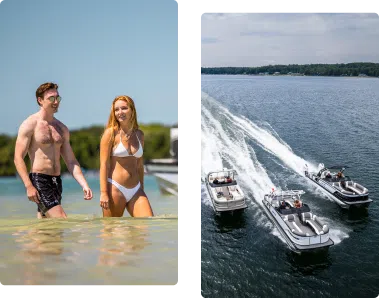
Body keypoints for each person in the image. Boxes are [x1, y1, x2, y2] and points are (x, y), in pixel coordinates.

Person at [13, 82, 93, 219]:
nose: (56, 102)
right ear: (40, 100)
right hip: (39, 180)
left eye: (58, 98)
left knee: (47, 230)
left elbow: (71, 161)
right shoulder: (30, 124)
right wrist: (28, 186)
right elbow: (18, 157)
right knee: (61, 219)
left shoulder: (61, 128)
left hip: (56, 181)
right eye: (51, 98)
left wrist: (84, 185)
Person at [99, 95, 154, 217]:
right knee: (110, 231)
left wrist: (142, 189)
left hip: (136, 189)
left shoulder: (139, 134)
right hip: (115, 188)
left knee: (147, 226)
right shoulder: (110, 134)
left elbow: (139, 165)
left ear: (132, 110)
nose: (120, 112)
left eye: (124, 108)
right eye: (116, 109)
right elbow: (104, 165)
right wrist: (103, 193)